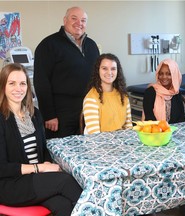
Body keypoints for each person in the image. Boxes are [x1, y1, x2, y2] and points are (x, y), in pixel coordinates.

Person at [0, 63, 82, 216]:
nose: (18, 88)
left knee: (64, 206)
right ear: (3, 86)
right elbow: (2, 168)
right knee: (66, 182)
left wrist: (47, 166)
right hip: (10, 184)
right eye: (12, 83)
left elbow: (42, 149)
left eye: (22, 83)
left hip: (36, 180)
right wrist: (41, 168)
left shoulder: (34, 114)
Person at [34, 6, 100, 139]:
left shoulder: (92, 46)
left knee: (87, 150)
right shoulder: (48, 45)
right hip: (60, 114)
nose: (79, 23)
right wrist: (49, 115)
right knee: (60, 153)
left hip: (88, 110)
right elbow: (41, 82)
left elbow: (98, 78)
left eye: (83, 20)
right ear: (65, 20)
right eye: (74, 18)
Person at [82, 53, 132, 134]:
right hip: (99, 144)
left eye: (113, 69)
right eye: (104, 68)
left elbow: (128, 127)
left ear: (117, 71)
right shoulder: (91, 98)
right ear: (98, 70)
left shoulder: (123, 96)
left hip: (121, 142)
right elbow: (94, 135)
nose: (109, 72)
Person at [142, 58, 185, 123]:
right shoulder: (150, 92)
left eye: (168, 74)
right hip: (154, 130)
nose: (164, 77)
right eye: (161, 73)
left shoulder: (176, 93)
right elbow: (149, 118)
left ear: (174, 75)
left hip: (174, 130)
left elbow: (181, 118)